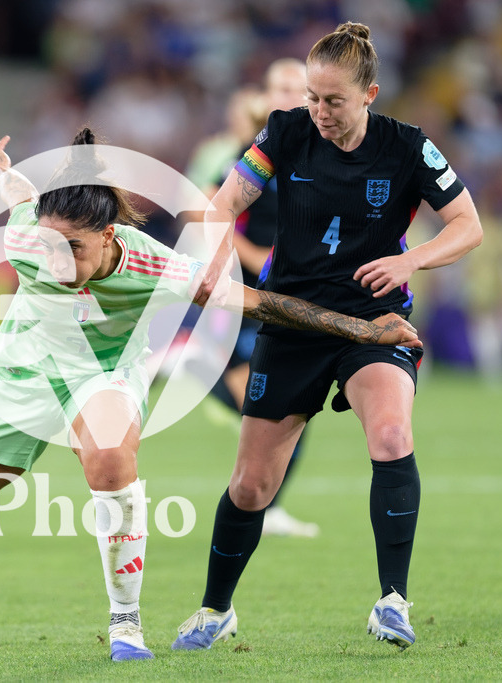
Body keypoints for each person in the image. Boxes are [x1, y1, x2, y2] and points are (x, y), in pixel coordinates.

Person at [0, 129, 421, 661]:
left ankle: (125, 625)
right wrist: (3, 172)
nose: (57, 259)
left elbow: (260, 302)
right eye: (49, 244)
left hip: (103, 378)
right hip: (16, 378)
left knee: (112, 452)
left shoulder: (152, 264)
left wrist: (367, 331)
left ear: (109, 237)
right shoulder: (27, 236)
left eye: (74, 247)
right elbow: (19, 195)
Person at [175, 22, 482, 651]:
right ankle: (214, 610)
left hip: (376, 325)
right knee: (252, 485)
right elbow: (223, 205)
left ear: (369, 93)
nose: (318, 111)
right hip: (290, 319)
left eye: (332, 100)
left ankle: (393, 602)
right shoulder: (285, 131)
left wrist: (410, 261)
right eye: (312, 97)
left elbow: (467, 225)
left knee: (392, 434)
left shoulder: (408, 148)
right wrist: (211, 261)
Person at [194, 59, 321, 538]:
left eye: (299, 88)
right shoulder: (250, 156)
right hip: (248, 297)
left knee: (294, 408)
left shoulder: (318, 155)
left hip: (291, 296)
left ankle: (269, 507)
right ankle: (259, 506)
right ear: (265, 97)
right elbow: (214, 208)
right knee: (270, 404)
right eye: (282, 87)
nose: (291, 95)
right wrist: (261, 261)